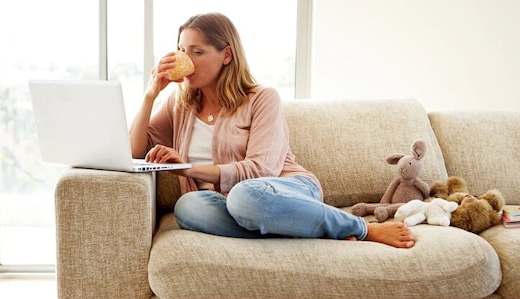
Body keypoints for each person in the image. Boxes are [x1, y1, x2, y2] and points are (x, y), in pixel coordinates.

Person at [129, 12, 415, 248]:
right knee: (188, 207)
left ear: (226, 55)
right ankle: (305, 228)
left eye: (197, 51)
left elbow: (259, 170)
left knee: (244, 197)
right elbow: (133, 151)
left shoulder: (262, 98)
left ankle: (360, 228)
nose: (186, 59)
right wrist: (150, 95)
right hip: (229, 204)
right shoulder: (179, 105)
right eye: (181, 50)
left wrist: (188, 169)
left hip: (283, 191)